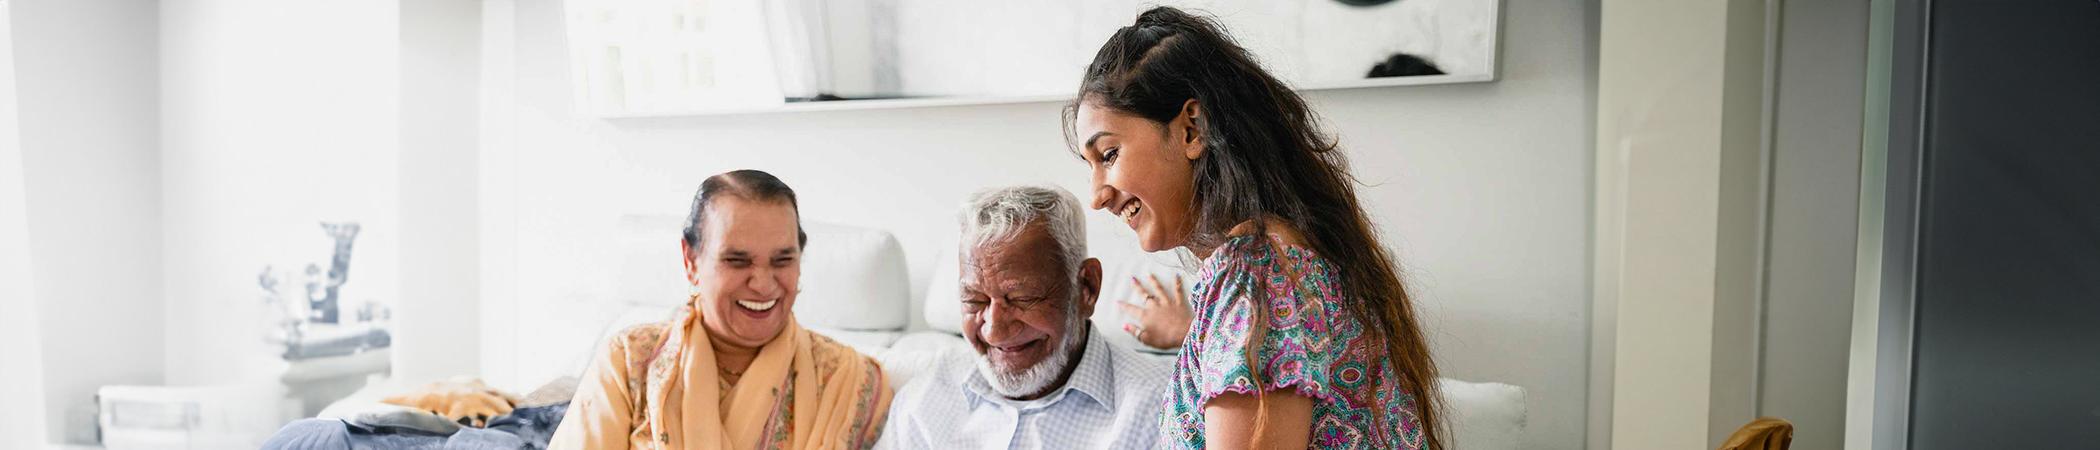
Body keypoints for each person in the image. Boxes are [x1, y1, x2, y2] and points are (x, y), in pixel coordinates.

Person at [1065, 7, 1448, 450]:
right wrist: (1189, 331)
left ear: (1193, 128)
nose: (1096, 195)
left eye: (1109, 155)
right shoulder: (1274, 264)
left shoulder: (1259, 271)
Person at [551, 169, 892, 450]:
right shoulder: (630, 362)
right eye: (736, 260)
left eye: (782, 260)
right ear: (691, 261)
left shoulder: (849, 380)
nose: (762, 283)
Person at [877, 185, 1170, 449]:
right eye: (974, 299)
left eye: (1022, 299)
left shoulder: (1161, 409)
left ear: (1086, 288)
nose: (994, 332)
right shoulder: (923, 401)